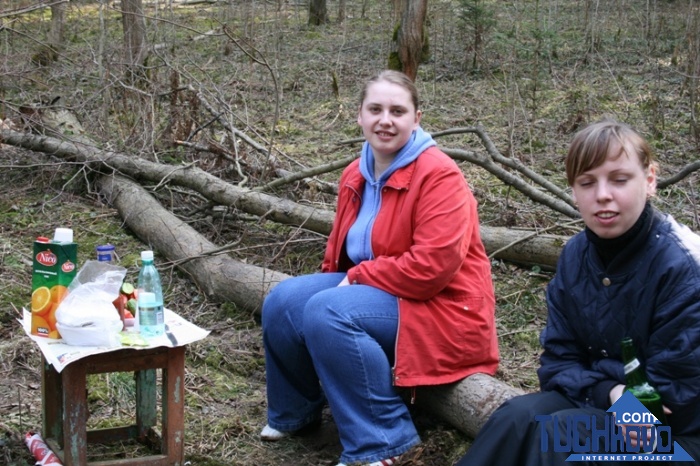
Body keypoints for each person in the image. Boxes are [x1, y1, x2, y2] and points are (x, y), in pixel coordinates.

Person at [260, 70, 499, 466]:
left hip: (446, 309)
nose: (385, 120)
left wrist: (356, 280)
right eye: (375, 109)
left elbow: (431, 270)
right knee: (285, 301)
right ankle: (295, 413)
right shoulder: (356, 172)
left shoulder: (440, 176)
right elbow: (341, 253)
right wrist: (340, 286)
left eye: (397, 111)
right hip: (383, 295)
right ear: (359, 115)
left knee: (327, 310)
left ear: (416, 118)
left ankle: (384, 442)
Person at [456, 119, 700, 466]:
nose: (602, 194)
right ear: (573, 190)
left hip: (680, 437)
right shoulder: (575, 256)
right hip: (608, 403)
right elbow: (557, 363)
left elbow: (669, 399)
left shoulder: (682, 267)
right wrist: (612, 392)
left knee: (563, 433)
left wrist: (607, 390)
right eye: (587, 183)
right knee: (517, 419)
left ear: (649, 180)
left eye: (619, 179)